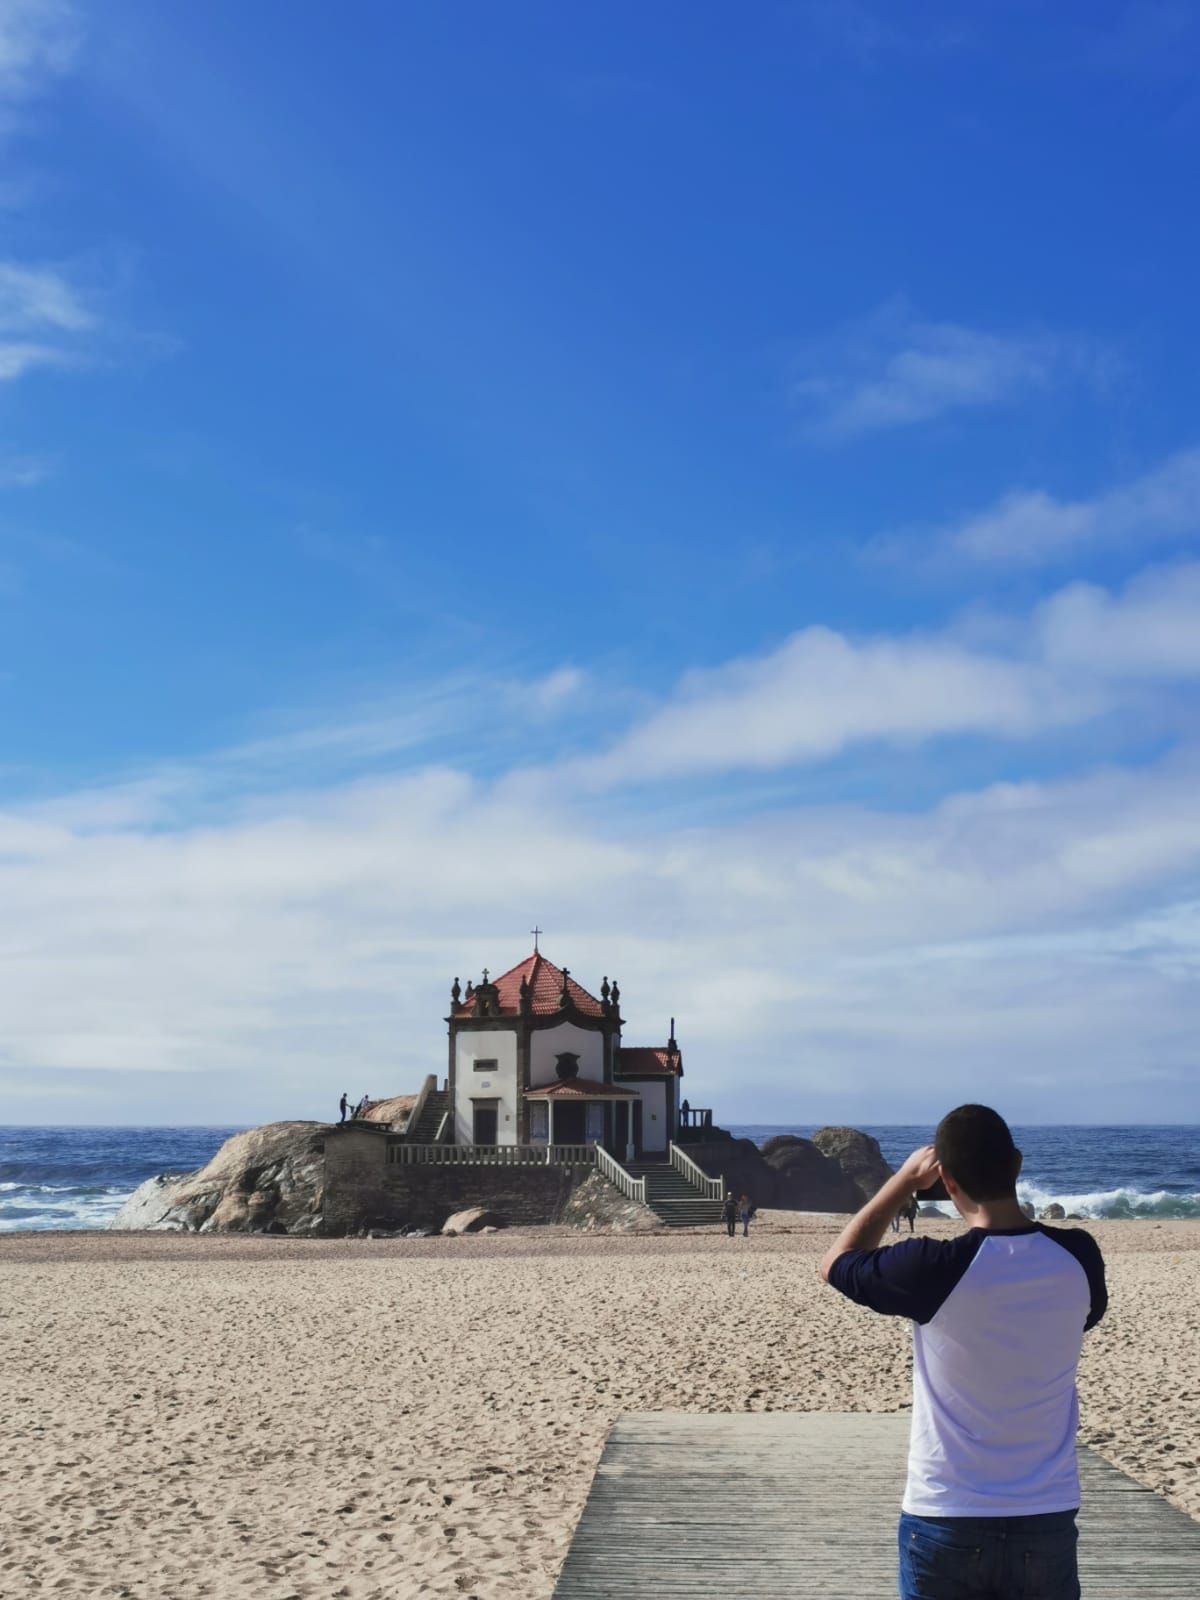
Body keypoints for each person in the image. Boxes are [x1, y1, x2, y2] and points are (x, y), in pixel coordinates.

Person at [819, 1104, 1106, 1600]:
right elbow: (1086, 1315)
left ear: (947, 1183)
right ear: (1016, 1165)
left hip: (946, 1511)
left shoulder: (933, 1267)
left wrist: (904, 1181)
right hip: (1046, 1510)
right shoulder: (1079, 1257)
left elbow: (837, 1263)